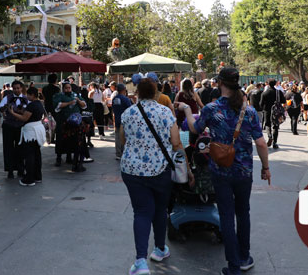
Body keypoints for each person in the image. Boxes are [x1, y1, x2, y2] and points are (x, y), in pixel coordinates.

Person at [178, 68, 270, 275]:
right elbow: (262, 144)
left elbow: (195, 129)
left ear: (220, 83)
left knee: (227, 216)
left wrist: (185, 110)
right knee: (243, 213)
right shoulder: (249, 111)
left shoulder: (211, 109)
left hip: (221, 171)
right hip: (244, 171)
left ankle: (234, 266)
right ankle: (244, 256)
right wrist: (266, 168)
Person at [120, 77, 192, 275]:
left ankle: (141, 262)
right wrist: (187, 167)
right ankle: (160, 249)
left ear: (137, 93)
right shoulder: (165, 112)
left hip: (132, 170)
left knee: (142, 212)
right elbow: (176, 143)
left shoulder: (128, 112)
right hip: (160, 169)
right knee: (160, 210)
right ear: (155, 93)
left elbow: (123, 140)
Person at [8, 87, 45, 186]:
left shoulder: (32, 105)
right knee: (37, 154)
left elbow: (24, 118)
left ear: (32, 95)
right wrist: (20, 112)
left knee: (29, 156)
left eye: (28, 94)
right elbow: (30, 115)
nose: (27, 96)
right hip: (37, 130)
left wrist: (13, 113)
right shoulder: (39, 103)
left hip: (31, 132)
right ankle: (37, 176)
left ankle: (29, 178)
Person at [53, 81, 87, 171]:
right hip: (63, 122)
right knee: (61, 140)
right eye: (66, 88)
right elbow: (57, 106)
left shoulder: (75, 95)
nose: (68, 89)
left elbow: (84, 105)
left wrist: (78, 101)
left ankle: (70, 158)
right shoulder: (59, 96)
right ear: (63, 89)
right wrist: (69, 103)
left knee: (74, 141)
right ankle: (59, 158)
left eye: (69, 88)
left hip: (75, 123)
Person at [0, 80, 27, 179]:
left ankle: (21, 169)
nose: (16, 90)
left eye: (18, 88)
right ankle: (10, 170)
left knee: (21, 148)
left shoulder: (26, 99)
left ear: (21, 88)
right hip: (8, 126)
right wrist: (4, 108)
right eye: (14, 88)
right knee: (8, 148)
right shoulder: (7, 98)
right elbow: (0, 108)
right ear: (12, 89)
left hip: (21, 126)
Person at [260, 79, 285, 149]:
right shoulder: (278, 92)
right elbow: (283, 100)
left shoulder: (264, 93)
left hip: (267, 111)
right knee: (276, 126)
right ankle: (275, 142)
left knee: (267, 124)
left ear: (268, 84)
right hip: (276, 111)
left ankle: (269, 136)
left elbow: (261, 104)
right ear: (275, 84)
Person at [112, 84, 132, 160]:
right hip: (125, 121)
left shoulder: (114, 99)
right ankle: (124, 152)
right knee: (124, 136)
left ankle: (118, 153)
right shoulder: (126, 99)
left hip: (117, 119)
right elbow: (130, 109)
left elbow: (113, 110)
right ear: (124, 89)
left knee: (117, 137)